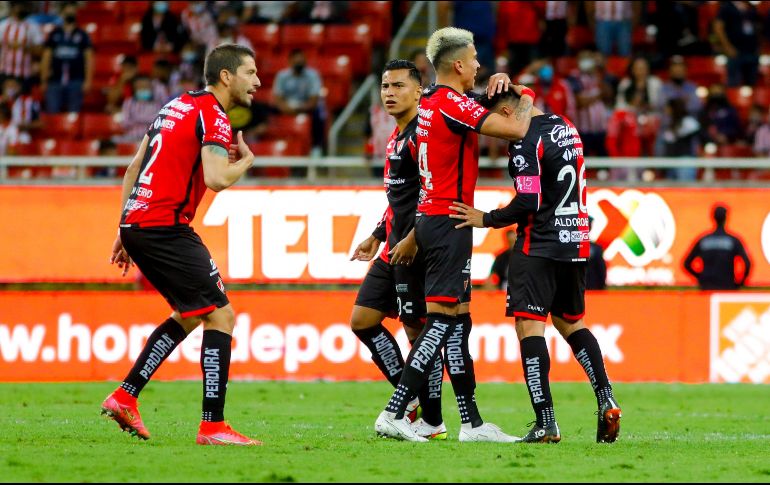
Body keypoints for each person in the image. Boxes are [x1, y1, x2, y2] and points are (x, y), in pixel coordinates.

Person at [374, 26, 534, 443]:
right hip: (450, 220)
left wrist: (499, 88)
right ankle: (395, 412)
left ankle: (472, 423)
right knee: (441, 322)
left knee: (459, 322)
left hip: (432, 217)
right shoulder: (448, 104)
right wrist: (526, 94)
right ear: (459, 64)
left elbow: (470, 108)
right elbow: (517, 129)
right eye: (476, 57)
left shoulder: (430, 102)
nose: (480, 64)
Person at [101, 44, 261, 446]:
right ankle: (213, 426)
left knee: (191, 313)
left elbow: (135, 166)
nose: (257, 82)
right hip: (166, 225)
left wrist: (124, 226)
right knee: (221, 316)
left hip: (139, 221)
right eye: (251, 73)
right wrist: (245, 161)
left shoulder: (175, 105)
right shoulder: (215, 117)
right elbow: (217, 178)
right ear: (227, 77)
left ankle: (125, 396)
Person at [449, 87, 622, 444]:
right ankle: (606, 397)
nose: (498, 134)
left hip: (539, 244)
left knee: (530, 329)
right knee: (573, 323)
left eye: (496, 124)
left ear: (509, 114)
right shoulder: (567, 126)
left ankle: (546, 422)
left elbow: (529, 199)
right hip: (575, 241)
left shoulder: (524, 141)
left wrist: (488, 218)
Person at [350, 59, 446, 440]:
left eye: (398, 86)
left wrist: (414, 236)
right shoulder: (395, 136)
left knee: (417, 331)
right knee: (362, 320)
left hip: (415, 247)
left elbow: (432, 193)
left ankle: (433, 419)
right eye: (385, 86)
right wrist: (376, 233)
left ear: (419, 90)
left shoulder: (423, 135)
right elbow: (399, 198)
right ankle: (408, 402)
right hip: (392, 244)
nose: (390, 93)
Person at [40, 1, 93, 113]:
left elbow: (89, 58)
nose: (70, 14)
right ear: (62, 13)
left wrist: (88, 80)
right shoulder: (54, 34)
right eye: (67, 11)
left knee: (74, 114)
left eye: (72, 11)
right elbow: (46, 57)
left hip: (76, 80)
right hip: (55, 80)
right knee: (52, 113)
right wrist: (43, 79)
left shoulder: (82, 35)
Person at [683, 206, 752, 290]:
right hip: (727, 285)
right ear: (726, 218)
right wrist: (740, 282)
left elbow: (686, 264)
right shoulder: (733, 241)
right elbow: (747, 264)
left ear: (713, 217)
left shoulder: (704, 240)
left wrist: (701, 277)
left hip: (707, 286)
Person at [272, 48, 325, 155]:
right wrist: (287, 108)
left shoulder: (313, 75)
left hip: (306, 108)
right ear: (290, 61)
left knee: (320, 113)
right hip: (286, 108)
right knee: (266, 112)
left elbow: (314, 100)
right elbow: (278, 99)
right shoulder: (282, 76)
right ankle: (272, 145)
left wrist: (299, 109)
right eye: (297, 61)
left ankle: (316, 147)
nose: (299, 63)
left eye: (302, 60)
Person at [586, 216, 607, 290]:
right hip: (591, 288)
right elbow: (601, 270)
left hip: (592, 289)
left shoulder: (596, 248)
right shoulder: (596, 248)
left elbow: (601, 270)